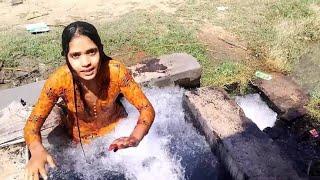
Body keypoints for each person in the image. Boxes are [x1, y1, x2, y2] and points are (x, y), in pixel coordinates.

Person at [23, 21, 155, 180]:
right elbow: (32, 124)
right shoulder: (59, 81)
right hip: (81, 143)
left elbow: (146, 108)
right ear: (66, 56)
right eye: (76, 55)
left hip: (118, 133)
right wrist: (36, 150)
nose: (85, 63)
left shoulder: (116, 72)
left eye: (92, 52)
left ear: (100, 49)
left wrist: (134, 138)